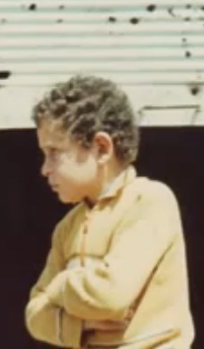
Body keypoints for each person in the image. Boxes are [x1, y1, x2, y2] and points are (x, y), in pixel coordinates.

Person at [25, 75, 194, 349]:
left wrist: (58, 287)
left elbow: (111, 294)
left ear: (102, 148)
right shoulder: (67, 227)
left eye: (54, 152)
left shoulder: (149, 201)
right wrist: (77, 326)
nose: (45, 169)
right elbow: (34, 314)